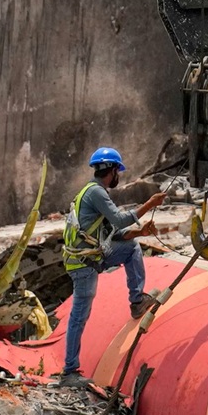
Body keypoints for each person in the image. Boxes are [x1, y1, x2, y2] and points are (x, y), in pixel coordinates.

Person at [59, 147, 166, 388]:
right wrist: (150, 204)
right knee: (79, 317)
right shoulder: (96, 192)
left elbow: (113, 233)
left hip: (90, 257)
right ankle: (69, 371)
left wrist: (139, 232)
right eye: (118, 171)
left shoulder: (92, 192)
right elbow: (119, 219)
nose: (119, 176)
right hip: (84, 264)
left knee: (132, 248)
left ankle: (137, 301)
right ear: (113, 170)